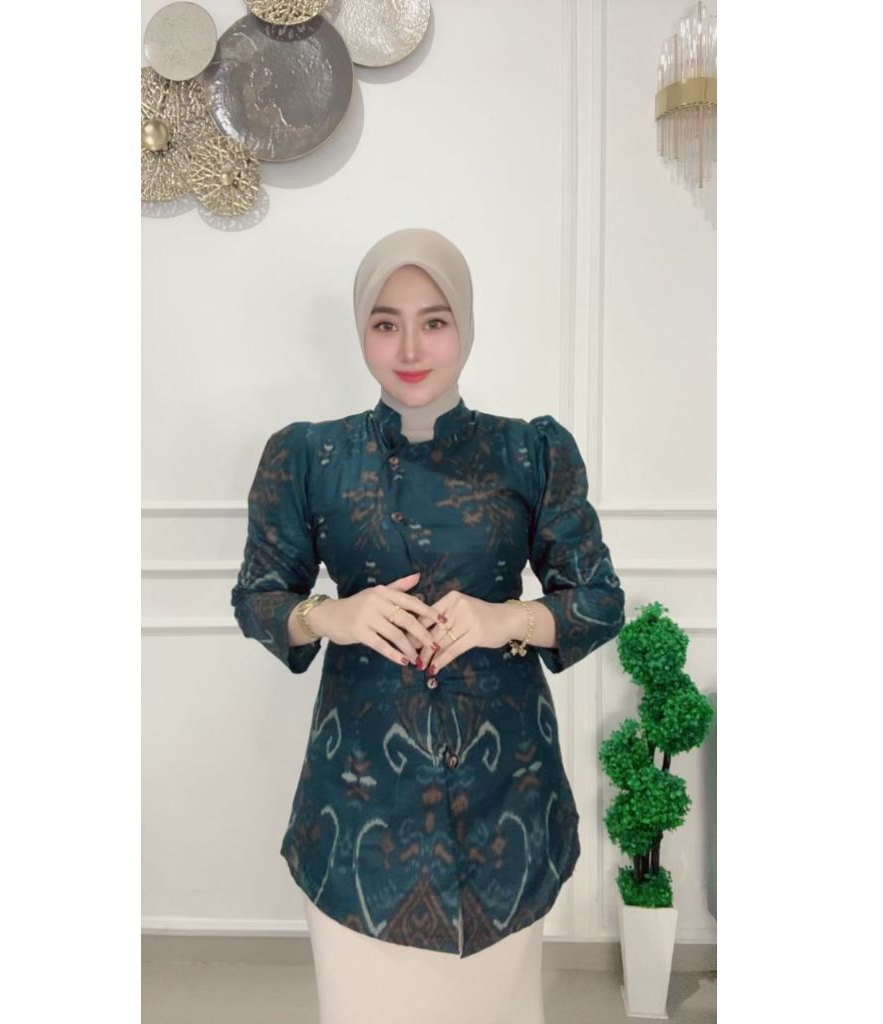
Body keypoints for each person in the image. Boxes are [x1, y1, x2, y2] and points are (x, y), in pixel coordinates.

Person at [231, 228, 625, 1023]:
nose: (410, 348)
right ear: (362, 332)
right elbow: (258, 596)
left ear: (465, 326)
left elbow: (597, 598)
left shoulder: (531, 452)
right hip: (357, 807)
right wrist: (333, 614)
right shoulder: (309, 456)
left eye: (434, 321)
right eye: (386, 323)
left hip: (506, 799)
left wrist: (504, 618)